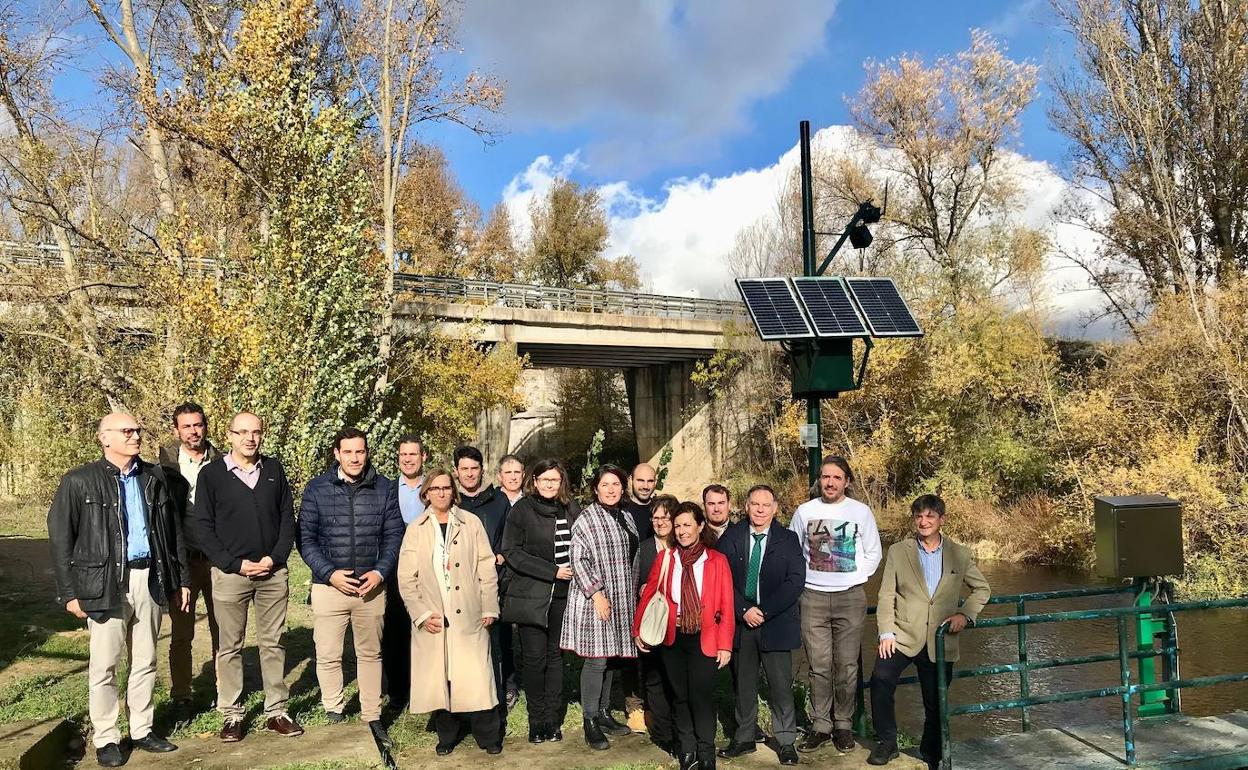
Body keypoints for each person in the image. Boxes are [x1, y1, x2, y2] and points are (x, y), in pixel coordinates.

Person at [48, 413, 190, 767]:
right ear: (104, 438)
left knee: (145, 659)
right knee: (105, 664)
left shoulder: (154, 477)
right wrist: (69, 592)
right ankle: (107, 737)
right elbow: (61, 538)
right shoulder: (79, 481)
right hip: (105, 582)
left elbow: (173, 533)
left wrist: (181, 579)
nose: (136, 436)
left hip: (150, 578)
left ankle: (142, 728)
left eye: (138, 431)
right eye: (127, 431)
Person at [194, 411, 303, 742]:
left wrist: (275, 557)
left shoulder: (273, 470)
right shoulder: (212, 475)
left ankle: (277, 711)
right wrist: (233, 563)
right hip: (231, 574)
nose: (249, 438)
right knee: (230, 646)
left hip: (272, 573)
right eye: (242, 432)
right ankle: (231, 714)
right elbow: (203, 526)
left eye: (256, 432)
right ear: (229, 436)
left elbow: (287, 518)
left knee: (273, 643)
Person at [298, 427, 404, 746]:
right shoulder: (317, 489)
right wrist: (330, 573)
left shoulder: (385, 488)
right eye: (348, 452)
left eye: (360, 451)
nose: (355, 458)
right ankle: (333, 708)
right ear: (337, 454)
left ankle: (371, 713)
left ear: (366, 452)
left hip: (370, 588)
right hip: (329, 587)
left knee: (370, 653)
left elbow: (394, 536)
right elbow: (306, 538)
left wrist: (381, 572)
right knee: (328, 652)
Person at [868, 495, 990, 768]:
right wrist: (886, 632)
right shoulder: (900, 551)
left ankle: (930, 754)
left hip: (941, 639)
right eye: (919, 516)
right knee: (880, 680)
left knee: (936, 703)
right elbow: (886, 594)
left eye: (930, 516)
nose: (923, 522)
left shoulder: (960, 553)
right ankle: (887, 742)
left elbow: (982, 589)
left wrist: (965, 614)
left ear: (941, 520)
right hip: (902, 635)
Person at [396, 469, 502, 756]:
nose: (441, 493)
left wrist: (489, 605)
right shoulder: (416, 529)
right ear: (426, 493)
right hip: (433, 616)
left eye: (446, 488)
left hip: (469, 614)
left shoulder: (471, 523)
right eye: (435, 488)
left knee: (477, 676)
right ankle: (447, 735)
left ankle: (488, 736)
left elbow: (486, 567)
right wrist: (420, 614)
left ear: (453, 491)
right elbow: (406, 578)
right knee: (440, 677)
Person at [790, 456, 882, 753]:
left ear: (847, 481)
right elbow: (793, 551)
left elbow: (874, 553)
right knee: (818, 666)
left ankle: (843, 724)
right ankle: (820, 725)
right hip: (812, 597)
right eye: (825, 477)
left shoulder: (860, 512)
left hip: (849, 598)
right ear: (820, 480)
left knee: (846, 666)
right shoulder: (805, 511)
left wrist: (856, 577)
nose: (830, 482)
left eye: (836, 477)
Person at [634, 502, 734, 770]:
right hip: (673, 637)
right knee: (679, 696)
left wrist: (725, 645)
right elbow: (649, 596)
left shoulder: (716, 561)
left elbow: (726, 607)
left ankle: (707, 753)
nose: (681, 531)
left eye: (687, 525)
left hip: (705, 637)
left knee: (701, 697)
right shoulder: (666, 559)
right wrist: (638, 631)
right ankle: (687, 750)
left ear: (700, 526)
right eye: (677, 526)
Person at [717, 486, 804, 766]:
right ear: (746, 506)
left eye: (766, 505)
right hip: (741, 623)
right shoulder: (731, 537)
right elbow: (721, 579)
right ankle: (744, 738)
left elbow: (795, 581)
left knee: (780, 686)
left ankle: (786, 741)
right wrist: (743, 609)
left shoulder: (788, 540)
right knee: (743, 684)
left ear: (775, 508)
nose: (760, 509)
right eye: (754, 504)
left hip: (775, 622)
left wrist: (764, 611)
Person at [560, 464, 639, 750]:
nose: (611, 489)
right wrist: (597, 594)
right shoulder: (586, 519)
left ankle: (605, 712)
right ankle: (590, 719)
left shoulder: (626, 517)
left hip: (621, 596)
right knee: (596, 659)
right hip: (595, 597)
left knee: (611, 658)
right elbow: (578, 560)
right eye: (605, 485)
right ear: (596, 489)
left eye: (616, 484)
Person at [500, 458, 579, 743]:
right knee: (534, 659)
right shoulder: (522, 510)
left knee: (556, 657)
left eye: (554, 480)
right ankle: (536, 720)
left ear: (562, 483)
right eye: (543, 479)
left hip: (563, 596)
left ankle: (552, 719)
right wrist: (551, 571)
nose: (548, 484)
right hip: (532, 594)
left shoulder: (571, 509)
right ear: (534, 481)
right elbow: (511, 551)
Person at [158, 401, 222, 708]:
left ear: (205, 426)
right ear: (177, 430)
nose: (193, 431)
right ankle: (181, 694)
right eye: (187, 426)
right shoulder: (165, 467)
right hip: (182, 561)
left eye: (198, 425)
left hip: (217, 560)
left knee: (222, 629)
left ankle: (226, 691)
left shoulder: (223, 462)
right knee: (181, 632)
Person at [455, 445, 515, 720]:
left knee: (495, 644)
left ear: (482, 470)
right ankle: (465, 700)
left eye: (474, 468)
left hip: (492, 583)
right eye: (464, 468)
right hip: (457, 586)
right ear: (456, 472)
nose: (469, 474)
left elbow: (508, 536)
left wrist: (500, 554)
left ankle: (498, 698)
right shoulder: (451, 503)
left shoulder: (499, 502)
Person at [382, 433, 427, 710]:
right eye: (403, 454)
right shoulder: (387, 489)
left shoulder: (434, 487)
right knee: (396, 629)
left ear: (423, 457)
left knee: (425, 627)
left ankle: (425, 687)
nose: (407, 459)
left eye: (413, 454)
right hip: (395, 569)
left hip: (427, 568)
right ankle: (398, 690)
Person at [633, 494, 679, 757]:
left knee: (676, 680)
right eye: (656, 517)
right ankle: (663, 734)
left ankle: (679, 727)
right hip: (652, 624)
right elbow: (634, 583)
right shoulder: (645, 547)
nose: (660, 522)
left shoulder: (684, 546)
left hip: (679, 626)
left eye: (666, 517)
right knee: (654, 680)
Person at [620, 462, 658, 730]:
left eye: (650, 481)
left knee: (656, 647)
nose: (645, 486)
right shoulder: (622, 510)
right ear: (631, 480)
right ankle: (634, 704)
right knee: (632, 651)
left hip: (658, 590)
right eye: (641, 480)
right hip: (629, 588)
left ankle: (656, 703)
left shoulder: (661, 510)